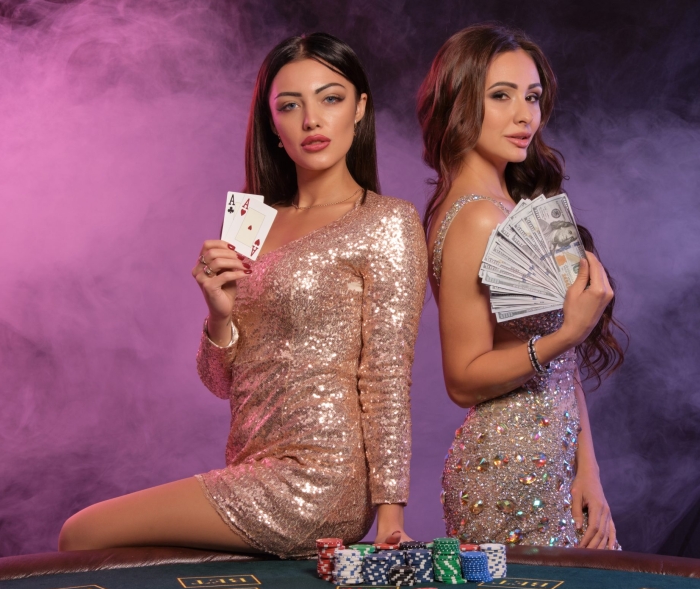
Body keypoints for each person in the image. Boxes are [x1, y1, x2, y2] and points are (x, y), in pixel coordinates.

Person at [59, 32, 427, 556]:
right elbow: (221, 383)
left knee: (82, 532)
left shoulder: (387, 222)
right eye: (289, 106)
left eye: (331, 98)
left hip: (320, 480)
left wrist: (390, 519)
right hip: (251, 466)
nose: (312, 121)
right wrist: (218, 315)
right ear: (272, 125)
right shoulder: (253, 223)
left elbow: (388, 375)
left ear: (360, 109)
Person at [417, 24, 624, 550]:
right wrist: (567, 332)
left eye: (532, 97)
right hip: (506, 473)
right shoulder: (475, 219)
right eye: (501, 96)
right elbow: (462, 380)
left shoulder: (518, 206)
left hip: (559, 463)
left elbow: (562, 368)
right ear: (460, 102)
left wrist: (589, 471)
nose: (524, 115)